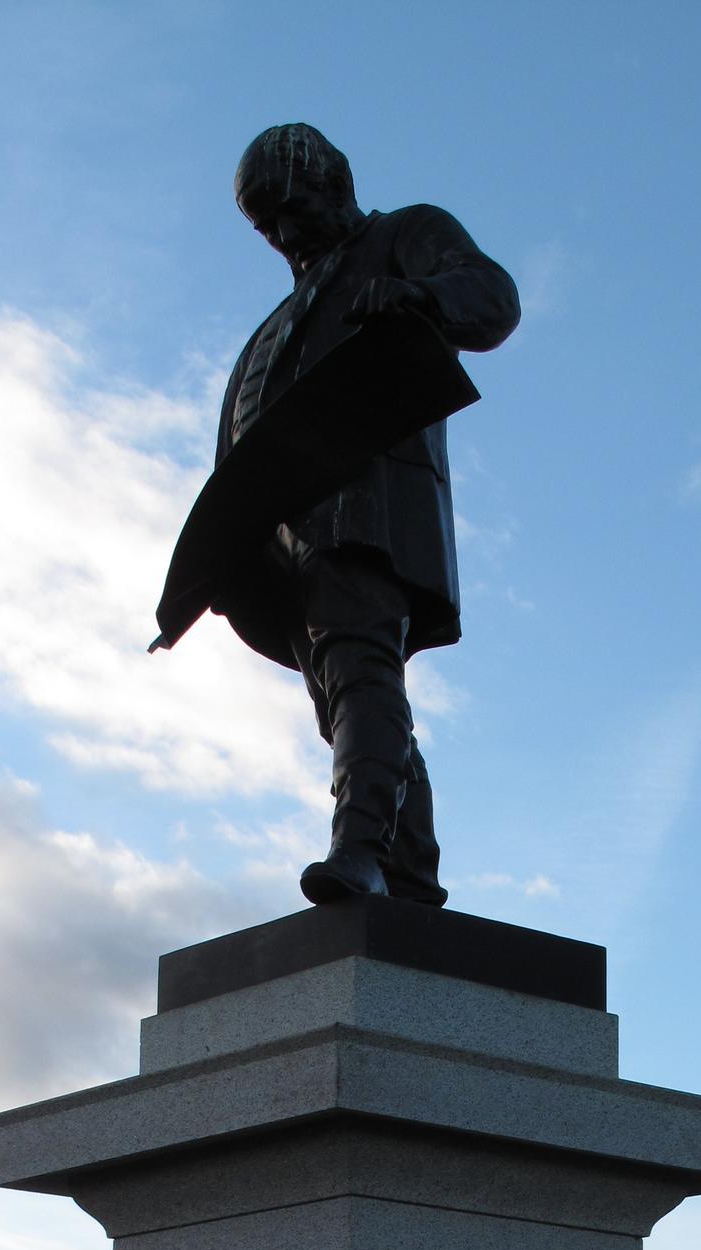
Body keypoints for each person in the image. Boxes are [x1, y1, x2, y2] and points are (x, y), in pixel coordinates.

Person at [213, 124, 519, 907]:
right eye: (266, 224)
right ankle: (408, 869)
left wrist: (421, 297)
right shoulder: (279, 323)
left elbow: (491, 295)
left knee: (359, 674)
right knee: (344, 699)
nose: (284, 233)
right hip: (287, 543)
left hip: (369, 506)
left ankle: (360, 850)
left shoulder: (404, 236)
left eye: (294, 206)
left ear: (337, 182)